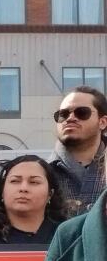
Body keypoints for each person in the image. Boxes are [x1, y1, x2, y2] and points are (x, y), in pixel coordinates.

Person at [48, 85, 107, 216]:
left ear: (102, 122)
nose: (70, 118)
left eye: (82, 112)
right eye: (63, 114)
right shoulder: (41, 175)